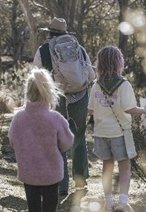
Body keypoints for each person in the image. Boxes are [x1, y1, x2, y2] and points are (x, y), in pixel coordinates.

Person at [33, 17, 95, 196]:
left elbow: (36, 78)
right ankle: (80, 183)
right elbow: (91, 76)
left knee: (56, 139)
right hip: (80, 98)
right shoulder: (79, 49)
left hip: (56, 98)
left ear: (50, 32)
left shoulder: (43, 50)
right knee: (79, 137)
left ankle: (61, 185)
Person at [87, 46, 146, 212]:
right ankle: (123, 202)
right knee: (124, 167)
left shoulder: (96, 85)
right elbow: (130, 109)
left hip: (101, 132)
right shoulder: (123, 84)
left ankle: (109, 202)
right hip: (120, 132)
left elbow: (91, 109)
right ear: (118, 63)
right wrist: (144, 110)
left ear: (99, 63)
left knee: (107, 167)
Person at [8, 68, 74, 212]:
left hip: (28, 172)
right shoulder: (55, 118)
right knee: (50, 208)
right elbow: (67, 143)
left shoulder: (18, 119)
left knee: (33, 208)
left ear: (28, 91)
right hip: (51, 174)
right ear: (48, 91)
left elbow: (12, 141)